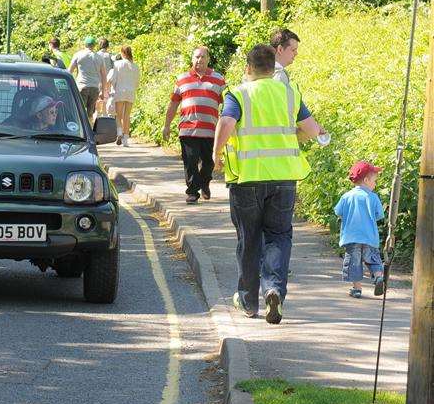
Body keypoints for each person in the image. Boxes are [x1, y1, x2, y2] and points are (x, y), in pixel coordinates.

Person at [212, 44, 326, 325]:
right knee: (278, 235)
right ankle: (273, 288)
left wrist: (215, 155)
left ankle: (249, 301)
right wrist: (289, 139)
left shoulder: (238, 93)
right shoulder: (289, 92)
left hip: (247, 178)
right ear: (273, 65)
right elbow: (311, 130)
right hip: (284, 178)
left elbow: (226, 123)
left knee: (249, 237)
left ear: (248, 68)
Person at [162, 47, 226, 203]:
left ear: (208, 59)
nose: (200, 60)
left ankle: (204, 182)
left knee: (209, 162)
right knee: (190, 161)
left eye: (203, 57)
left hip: (211, 130)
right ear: (192, 59)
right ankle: (192, 191)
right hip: (188, 129)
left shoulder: (219, 79)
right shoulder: (182, 79)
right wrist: (167, 125)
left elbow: (228, 103)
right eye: (197, 57)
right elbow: (173, 104)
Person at [334, 162, 386, 298]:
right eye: (375, 181)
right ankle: (378, 277)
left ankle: (357, 289)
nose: (375, 184)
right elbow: (379, 215)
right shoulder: (373, 197)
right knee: (373, 259)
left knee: (354, 263)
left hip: (351, 237)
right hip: (369, 237)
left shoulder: (346, 196)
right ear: (367, 180)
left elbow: (338, 212)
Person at [67, 37, 106, 124]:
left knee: (79, 112)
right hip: (94, 88)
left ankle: (80, 131)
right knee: (90, 113)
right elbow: (104, 76)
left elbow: (69, 71)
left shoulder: (78, 55)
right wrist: (103, 92)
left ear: (85, 44)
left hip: (82, 86)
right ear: (94, 45)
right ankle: (90, 130)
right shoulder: (99, 58)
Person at [107, 46, 140, 146]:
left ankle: (119, 133)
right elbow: (137, 82)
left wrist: (113, 87)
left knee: (118, 115)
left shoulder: (117, 64)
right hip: (130, 92)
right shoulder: (135, 66)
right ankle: (126, 140)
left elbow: (114, 79)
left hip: (120, 90)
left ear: (122, 53)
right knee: (127, 116)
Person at [96, 39, 115, 116]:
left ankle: (97, 116)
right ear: (107, 46)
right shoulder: (110, 56)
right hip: (107, 81)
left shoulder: (96, 55)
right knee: (106, 99)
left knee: (97, 100)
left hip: (97, 80)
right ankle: (105, 116)